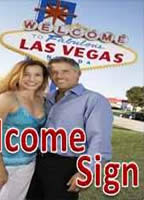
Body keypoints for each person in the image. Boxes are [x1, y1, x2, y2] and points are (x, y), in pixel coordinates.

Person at [27, 56, 113, 200]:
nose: (59, 76)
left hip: (65, 167)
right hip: (36, 162)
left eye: (65, 71)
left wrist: (87, 172)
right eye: (53, 72)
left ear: (78, 74)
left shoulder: (94, 100)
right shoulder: (47, 98)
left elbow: (99, 139)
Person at [0, 59, 49, 200]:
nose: (32, 79)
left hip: (26, 165)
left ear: (43, 78)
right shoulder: (6, 98)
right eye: (27, 74)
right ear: (18, 75)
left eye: (37, 75)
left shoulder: (42, 100)